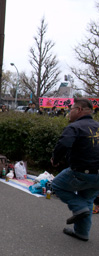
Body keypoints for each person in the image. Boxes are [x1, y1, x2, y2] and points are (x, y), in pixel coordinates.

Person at [51, 98, 99, 242]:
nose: (69, 113)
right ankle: (82, 233)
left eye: (71, 109)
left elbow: (64, 143)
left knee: (57, 185)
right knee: (88, 199)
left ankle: (79, 208)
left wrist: (55, 158)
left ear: (78, 110)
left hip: (81, 172)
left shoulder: (75, 127)